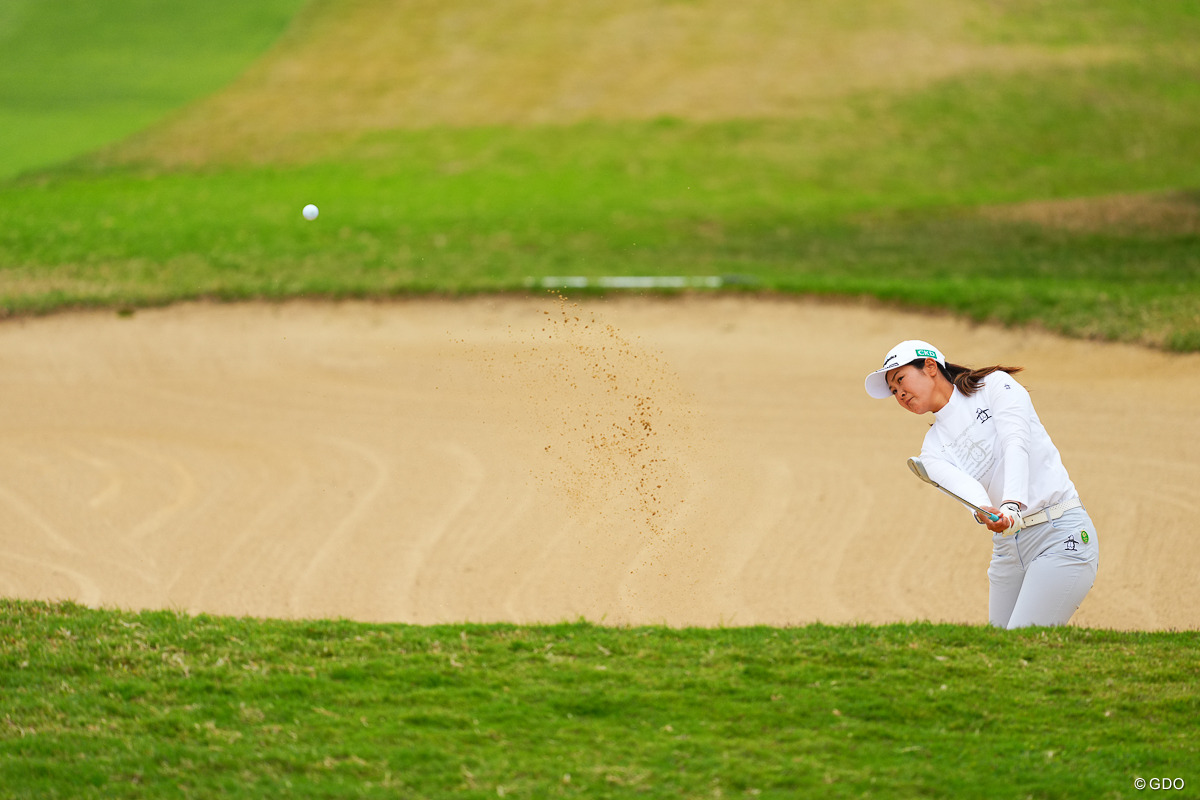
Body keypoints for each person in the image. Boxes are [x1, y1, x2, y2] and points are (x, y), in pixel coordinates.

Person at [864, 340, 1098, 629]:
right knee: (1000, 655)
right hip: (1008, 549)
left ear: (930, 366)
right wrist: (983, 512)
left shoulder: (994, 385)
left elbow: (1016, 443)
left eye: (900, 380)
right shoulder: (932, 449)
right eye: (893, 391)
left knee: (1019, 644)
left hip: (1058, 533)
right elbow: (968, 492)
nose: (899, 393)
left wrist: (1011, 503)